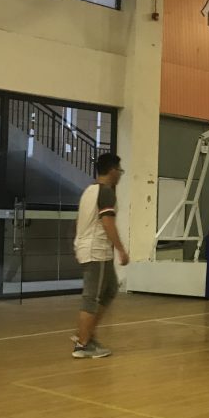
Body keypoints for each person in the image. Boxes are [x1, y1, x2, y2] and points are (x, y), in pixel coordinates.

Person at [72, 153, 128, 359]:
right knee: (92, 297)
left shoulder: (89, 191)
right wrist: (121, 249)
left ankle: (87, 333)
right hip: (97, 251)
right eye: (120, 171)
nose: (120, 175)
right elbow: (107, 223)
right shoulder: (106, 192)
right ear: (112, 170)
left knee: (110, 288)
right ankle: (82, 344)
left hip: (87, 248)